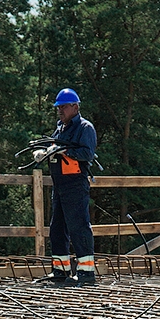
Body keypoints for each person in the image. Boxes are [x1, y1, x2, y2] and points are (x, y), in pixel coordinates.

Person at [38, 88, 98, 287]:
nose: (60, 110)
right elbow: (54, 147)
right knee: (57, 228)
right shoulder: (60, 129)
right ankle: (60, 270)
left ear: (75, 107)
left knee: (78, 227)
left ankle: (86, 272)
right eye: (58, 107)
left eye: (63, 107)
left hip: (75, 184)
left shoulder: (84, 128)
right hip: (60, 185)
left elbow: (87, 154)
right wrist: (45, 152)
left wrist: (65, 151)